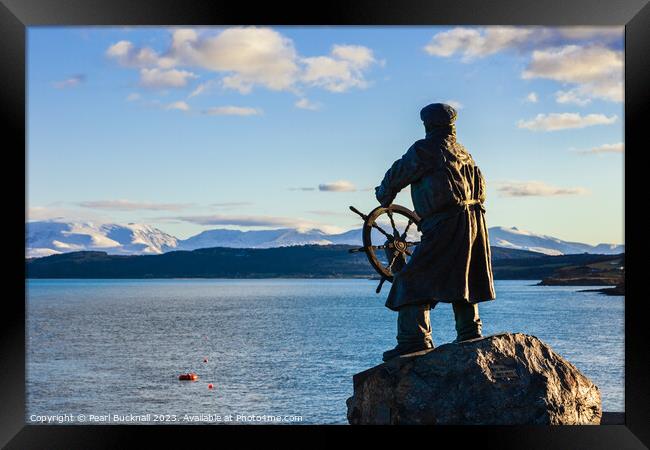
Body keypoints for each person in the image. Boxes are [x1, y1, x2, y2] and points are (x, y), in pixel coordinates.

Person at [375, 103, 496, 362]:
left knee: (410, 279)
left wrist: (384, 193)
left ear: (427, 124)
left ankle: (414, 340)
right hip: (474, 222)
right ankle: (469, 331)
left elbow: (398, 174)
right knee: (465, 275)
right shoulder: (464, 152)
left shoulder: (426, 149)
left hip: (446, 221)